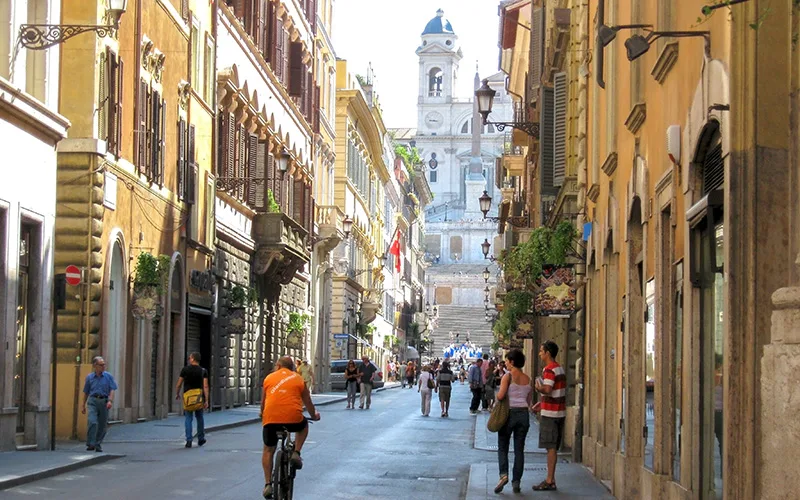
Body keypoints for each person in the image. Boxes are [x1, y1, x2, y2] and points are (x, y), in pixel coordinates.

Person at [260, 356, 320, 499]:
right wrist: (314, 415)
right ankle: (296, 453)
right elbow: (308, 402)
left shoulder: (268, 378)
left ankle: (268, 484)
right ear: (292, 367)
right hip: (293, 418)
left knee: (268, 450)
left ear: (278, 366)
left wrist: (262, 414)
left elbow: (263, 402)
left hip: (271, 419)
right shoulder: (298, 379)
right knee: (304, 425)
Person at [494, 349, 532, 494]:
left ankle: (503, 475)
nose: (506, 364)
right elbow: (528, 400)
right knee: (519, 450)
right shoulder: (527, 378)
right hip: (523, 415)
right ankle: (516, 482)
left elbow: (501, 396)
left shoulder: (507, 377)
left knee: (503, 446)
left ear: (513, 362)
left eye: (507, 361)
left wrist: (498, 395)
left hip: (509, 414)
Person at [532, 340, 566, 491]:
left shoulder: (549, 370)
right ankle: (551, 478)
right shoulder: (560, 369)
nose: (540, 354)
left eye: (541, 351)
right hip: (558, 411)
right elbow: (556, 392)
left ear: (548, 353)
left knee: (550, 447)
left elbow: (547, 389)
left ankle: (550, 479)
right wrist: (541, 404)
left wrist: (538, 388)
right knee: (553, 446)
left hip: (551, 415)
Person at [81, 356, 118, 452]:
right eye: (101, 365)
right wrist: (83, 405)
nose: (103, 366)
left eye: (104, 364)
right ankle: (91, 443)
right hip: (93, 401)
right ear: (95, 366)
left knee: (102, 425)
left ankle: (98, 443)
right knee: (92, 422)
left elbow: (112, 389)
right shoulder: (89, 377)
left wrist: (110, 401)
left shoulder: (108, 376)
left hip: (104, 401)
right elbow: (86, 392)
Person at [175, 352, 209, 448]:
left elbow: (179, 384)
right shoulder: (203, 371)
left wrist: (177, 394)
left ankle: (189, 440)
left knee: (188, 418)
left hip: (188, 397)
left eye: (190, 357)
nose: (189, 359)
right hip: (199, 397)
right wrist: (206, 400)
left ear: (193, 359)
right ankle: (201, 438)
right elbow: (205, 386)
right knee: (199, 417)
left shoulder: (185, 370)